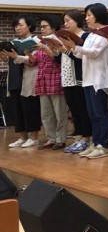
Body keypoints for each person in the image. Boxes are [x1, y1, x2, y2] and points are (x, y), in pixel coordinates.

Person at [63, 3, 108, 159]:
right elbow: (82, 55)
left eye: (89, 15)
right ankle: (96, 142)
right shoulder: (92, 34)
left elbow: (94, 52)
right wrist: (72, 48)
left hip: (100, 78)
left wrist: (75, 47)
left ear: (98, 15)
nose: (86, 18)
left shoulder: (105, 32)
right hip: (88, 78)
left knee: (100, 112)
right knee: (92, 113)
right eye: (86, 15)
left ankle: (104, 145)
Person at [31, 14, 69, 150]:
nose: (42, 29)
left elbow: (59, 59)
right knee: (46, 113)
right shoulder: (41, 41)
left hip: (55, 79)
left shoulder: (58, 41)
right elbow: (34, 61)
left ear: (53, 27)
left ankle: (61, 139)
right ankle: (51, 138)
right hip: (42, 80)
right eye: (41, 27)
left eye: (44, 26)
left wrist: (45, 49)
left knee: (59, 112)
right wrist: (28, 53)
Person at [57, 9, 92, 154]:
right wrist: (57, 49)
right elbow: (62, 58)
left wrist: (65, 50)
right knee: (74, 111)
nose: (65, 24)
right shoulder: (65, 37)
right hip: (67, 77)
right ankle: (78, 138)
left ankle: (86, 139)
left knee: (82, 110)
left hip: (80, 78)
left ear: (77, 21)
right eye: (64, 21)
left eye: (68, 21)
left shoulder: (85, 36)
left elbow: (82, 59)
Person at [3, 15, 41, 148]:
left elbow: (35, 60)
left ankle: (33, 137)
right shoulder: (13, 42)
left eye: (20, 25)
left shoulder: (36, 41)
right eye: (16, 26)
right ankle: (22, 137)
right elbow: (9, 60)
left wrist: (17, 56)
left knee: (30, 107)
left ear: (29, 26)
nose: (17, 28)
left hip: (28, 77)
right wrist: (5, 57)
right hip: (14, 78)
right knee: (17, 109)